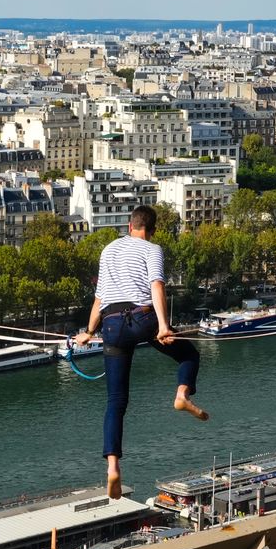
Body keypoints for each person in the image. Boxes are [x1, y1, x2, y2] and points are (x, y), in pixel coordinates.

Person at [72, 205, 209, 499]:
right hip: (143, 318)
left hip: (110, 325)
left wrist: (89, 331)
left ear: (128, 225)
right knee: (189, 355)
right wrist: (163, 325)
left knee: (115, 402)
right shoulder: (152, 249)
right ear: (152, 229)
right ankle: (182, 395)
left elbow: (100, 298)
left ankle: (112, 467)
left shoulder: (108, 250)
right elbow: (156, 285)